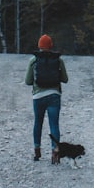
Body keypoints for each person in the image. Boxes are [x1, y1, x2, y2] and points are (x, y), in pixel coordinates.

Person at [24, 34, 68, 164]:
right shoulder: (58, 60)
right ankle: (55, 151)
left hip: (38, 97)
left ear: (39, 46)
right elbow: (65, 79)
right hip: (54, 96)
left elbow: (27, 81)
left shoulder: (33, 60)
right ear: (51, 46)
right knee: (54, 124)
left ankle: (37, 150)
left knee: (38, 123)